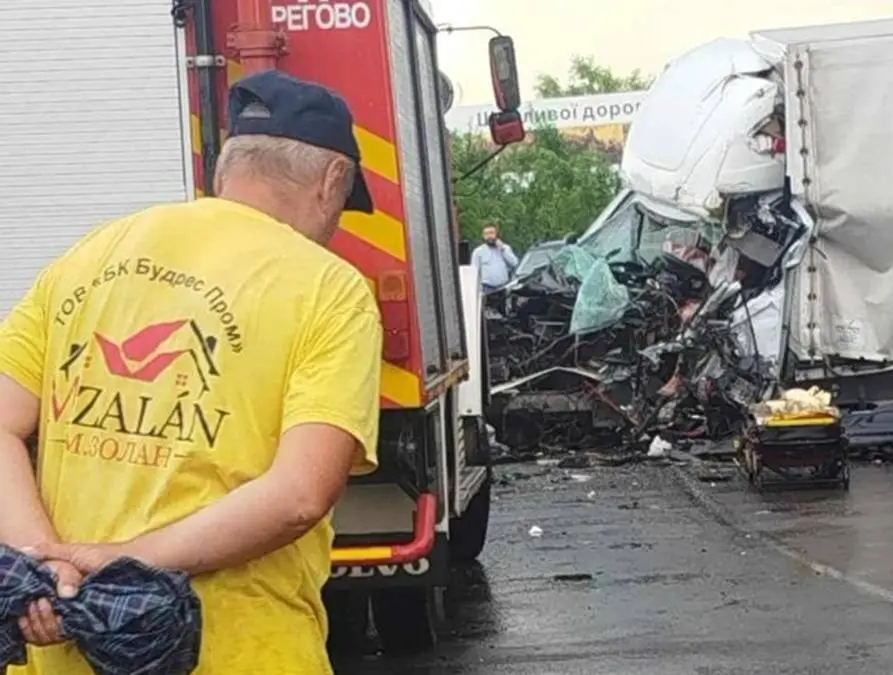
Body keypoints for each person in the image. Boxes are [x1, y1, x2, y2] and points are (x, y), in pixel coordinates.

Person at [0, 70, 382, 674]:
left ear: (228, 169)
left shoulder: (94, 252)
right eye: (342, 205)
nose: (334, 224)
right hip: (236, 652)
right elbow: (299, 495)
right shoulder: (328, 289)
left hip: (62, 652)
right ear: (333, 179)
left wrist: (45, 561)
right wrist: (125, 560)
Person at [471, 225, 519, 292]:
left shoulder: (505, 248)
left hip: (504, 287)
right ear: (483, 236)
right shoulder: (478, 252)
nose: (489, 236)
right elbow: (474, 273)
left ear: (497, 234)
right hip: (486, 288)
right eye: (486, 234)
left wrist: (503, 249)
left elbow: (515, 263)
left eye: (491, 233)